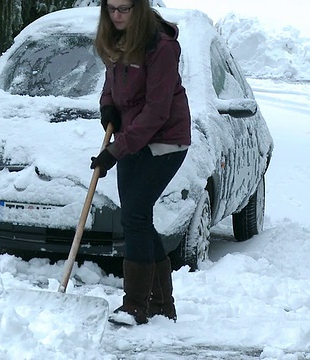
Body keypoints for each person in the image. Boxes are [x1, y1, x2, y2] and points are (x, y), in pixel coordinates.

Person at [91, 0, 191, 326]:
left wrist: (116, 151)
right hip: (133, 138)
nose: (117, 15)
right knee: (138, 217)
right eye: (111, 9)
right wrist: (108, 109)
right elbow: (111, 86)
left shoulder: (161, 47)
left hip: (164, 141)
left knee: (134, 215)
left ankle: (135, 305)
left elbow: (157, 110)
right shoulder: (115, 39)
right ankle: (162, 303)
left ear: (140, 8)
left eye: (125, 8)